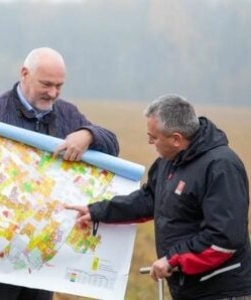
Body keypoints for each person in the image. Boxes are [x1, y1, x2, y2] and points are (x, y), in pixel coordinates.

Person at [0, 47, 119, 300]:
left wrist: (88, 134)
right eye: (46, 84)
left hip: (41, 257)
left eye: (59, 86)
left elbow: (112, 146)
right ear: (24, 74)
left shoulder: (68, 115)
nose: (53, 93)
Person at [66, 94, 251, 300]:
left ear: (176, 138)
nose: (149, 142)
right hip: (187, 288)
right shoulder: (169, 160)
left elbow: (223, 239)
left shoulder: (221, 168)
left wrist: (173, 260)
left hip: (222, 291)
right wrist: (97, 211)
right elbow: (149, 200)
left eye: (154, 137)